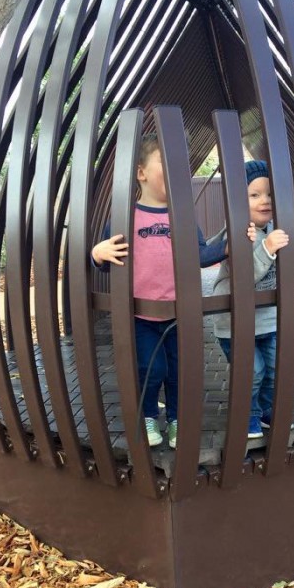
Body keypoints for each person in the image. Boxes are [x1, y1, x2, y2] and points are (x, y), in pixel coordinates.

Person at [91, 134, 227, 449]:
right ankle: (149, 415)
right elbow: (106, 258)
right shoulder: (125, 219)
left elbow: (200, 255)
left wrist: (227, 247)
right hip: (141, 315)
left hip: (179, 313)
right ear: (141, 173)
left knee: (179, 370)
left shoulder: (183, 219)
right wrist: (97, 254)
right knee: (152, 369)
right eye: (166, 163)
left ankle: (178, 420)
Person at [212, 160, 294, 438]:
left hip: (268, 320)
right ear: (236, 200)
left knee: (272, 368)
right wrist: (267, 250)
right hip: (235, 323)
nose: (264, 201)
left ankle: (266, 410)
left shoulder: (274, 231)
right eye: (254, 195)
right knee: (252, 371)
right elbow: (245, 278)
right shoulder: (235, 234)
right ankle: (248, 416)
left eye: (269, 193)